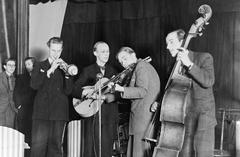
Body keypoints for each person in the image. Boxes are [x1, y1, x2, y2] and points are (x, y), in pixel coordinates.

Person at [165, 29, 217, 157]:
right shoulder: (172, 68)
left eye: (171, 42)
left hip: (203, 119)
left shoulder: (204, 57)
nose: (167, 47)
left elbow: (208, 81)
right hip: (183, 120)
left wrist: (189, 64)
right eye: (166, 43)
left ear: (182, 42)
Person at [110, 47, 161, 157]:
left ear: (133, 54)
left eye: (124, 58)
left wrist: (121, 89)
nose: (123, 63)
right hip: (142, 119)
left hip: (142, 118)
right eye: (121, 61)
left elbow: (142, 91)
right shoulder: (141, 67)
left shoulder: (141, 66)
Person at [72, 41, 118, 157]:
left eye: (108, 51)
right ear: (95, 53)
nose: (106, 54)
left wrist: (107, 96)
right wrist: (86, 92)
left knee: (106, 150)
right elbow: (74, 89)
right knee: (90, 150)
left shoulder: (114, 71)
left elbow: (118, 96)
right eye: (103, 51)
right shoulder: (88, 71)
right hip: (92, 115)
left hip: (108, 117)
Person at [30, 37, 73, 157]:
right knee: (38, 147)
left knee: (56, 148)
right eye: (54, 50)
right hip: (41, 114)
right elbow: (34, 85)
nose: (56, 54)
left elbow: (68, 91)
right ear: (49, 48)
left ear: (62, 50)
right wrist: (50, 70)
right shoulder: (39, 65)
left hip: (59, 114)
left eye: (59, 51)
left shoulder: (65, 67)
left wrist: (67, 75)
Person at [13, 57, 36, 156]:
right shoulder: (21, 77)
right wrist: (19, 105)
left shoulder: (39, 77)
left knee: (34, 133)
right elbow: (16, 92)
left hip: (36, 109)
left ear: (34, 64)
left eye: (29, 64)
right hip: (24, 109)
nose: (27, 66)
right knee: (23, 132)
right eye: (26, 64)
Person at [0, 58, 17, 128]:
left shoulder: (16, 79)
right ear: (4, 66)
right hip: (1, 109)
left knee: (10, 133)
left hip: (12, 109)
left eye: (13, 65)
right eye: (9, 65)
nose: (12, 67)